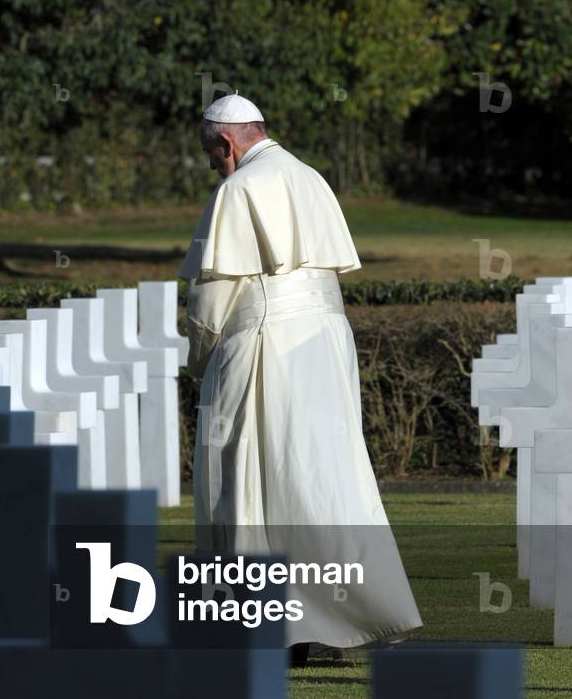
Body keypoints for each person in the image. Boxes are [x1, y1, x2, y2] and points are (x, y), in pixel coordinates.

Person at [179, 94, 422, 664]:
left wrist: (198, 358)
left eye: (211, 155)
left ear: (226, 143)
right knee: (318, 473)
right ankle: (328, 620)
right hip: (326, 345)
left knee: (251, 481)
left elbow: (212, 297)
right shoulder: (311, 177)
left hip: (262, 345)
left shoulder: (238, 189)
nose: (213, 165)